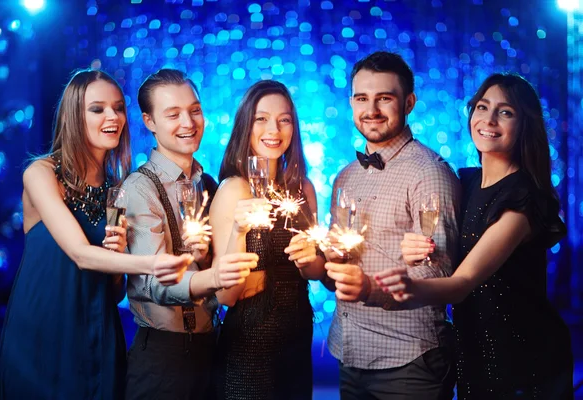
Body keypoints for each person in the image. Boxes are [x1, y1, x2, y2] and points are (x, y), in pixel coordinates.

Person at [375, 73, 573, 399]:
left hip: (524, 358)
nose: (489, 120)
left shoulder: (523, 199)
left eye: (505, 112)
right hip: (473, 351)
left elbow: (463, 282)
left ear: (525, 125)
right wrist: (419, 249)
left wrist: (408, 288)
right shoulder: (464, 183)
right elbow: (448, 253)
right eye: (483, 107)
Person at [0, 69, 192, 400]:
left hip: (97, 330)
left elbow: (114, 292)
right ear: (74, 115)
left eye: (118, 107)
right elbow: (80, 254)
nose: (112, 116)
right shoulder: (41, 173)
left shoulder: (118, 190)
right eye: (97, 108)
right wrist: (152, 263)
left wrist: (119, 259)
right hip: (42, 328)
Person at [322, 51, 461, 399]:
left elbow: (442, 274)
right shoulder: (345, 178)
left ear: (409, 102)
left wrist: (372, 288)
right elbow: (341, 267)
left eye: (384, 98)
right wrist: (320, 263)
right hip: (349, 352)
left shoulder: (429, 172)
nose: (371, 109)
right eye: (361, 98)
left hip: (408, 361)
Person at [123, 69, 258, 400]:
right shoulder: (139, 189)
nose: (189, 122)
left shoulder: (209, 184)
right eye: (173, 114)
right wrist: (213, 276)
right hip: (164, 359)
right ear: (149, 122)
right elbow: (155, 283)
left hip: (210, 349)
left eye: (195, 110)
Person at [211, 80, 326, 399]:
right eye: (261, 118)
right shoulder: (234, 189)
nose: (273, 129)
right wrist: (238, 231)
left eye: (284, 119)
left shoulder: (304, 189)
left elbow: (316, 272)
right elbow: (225, 296)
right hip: (249, 348)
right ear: (245, 124)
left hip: (297, 342)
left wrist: (309, 259)